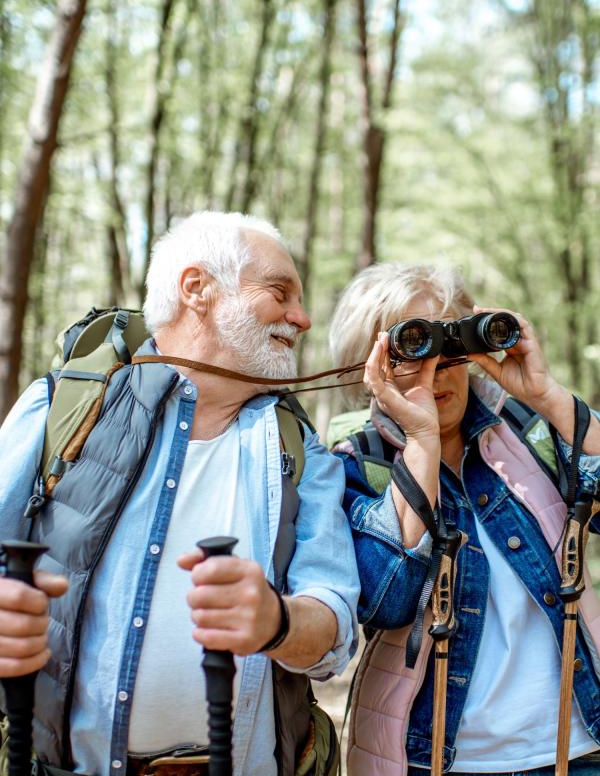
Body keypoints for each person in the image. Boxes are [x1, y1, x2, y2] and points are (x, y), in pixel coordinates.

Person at [0, 211, 360, 776]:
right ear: (197, 289)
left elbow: (333, 629)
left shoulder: (301, 448)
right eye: (280, 291)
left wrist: (276, 621)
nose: (303, 318)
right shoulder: (60, 409)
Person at [329, 262, 600, 775]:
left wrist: (548, 395)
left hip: (579, 747)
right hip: (441, 760)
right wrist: (421, 443)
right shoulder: (356, 465)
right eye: (412, 347)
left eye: (448, 343)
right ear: (365, 367)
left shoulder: (528, 431)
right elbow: (386, 599)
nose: (436, 369)